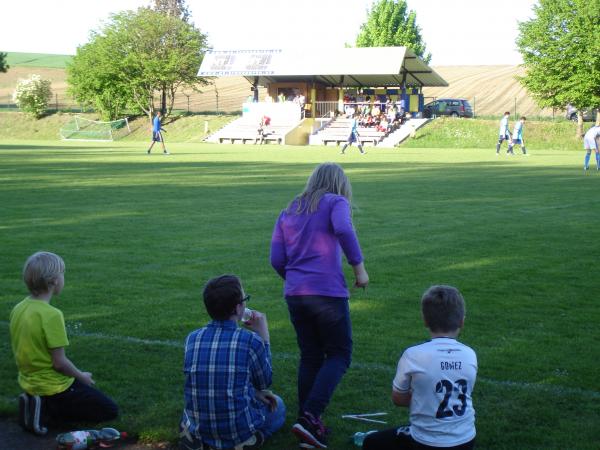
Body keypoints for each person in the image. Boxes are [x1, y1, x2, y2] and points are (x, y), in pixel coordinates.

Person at [270, 163, 369, 448]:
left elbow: (277, 259)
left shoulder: (289, 210)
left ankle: (306, 423)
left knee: (311, 356)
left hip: (296, 294)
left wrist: (295, 280)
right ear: (340, 184)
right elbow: (344, 229)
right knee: (339, 354)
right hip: (326, 292)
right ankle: (310, 417)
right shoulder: (335, 202)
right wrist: (359, 269)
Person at [9, 252, 118, 435]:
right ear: (54, 281)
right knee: (109, 409)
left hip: (29, 381)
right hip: (53, 386)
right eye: (62, 273)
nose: (63, 278)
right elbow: (59, 363)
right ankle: (47, 409)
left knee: (84, 393)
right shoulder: (51, 315)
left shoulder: (19, 308)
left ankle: (35, 400)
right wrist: (81, 376)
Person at [363, 285, 477, 450]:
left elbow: (398, 399)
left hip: (425, 441)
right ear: (462, 321)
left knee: (370, 442)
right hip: (465, 439)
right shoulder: (470, 354)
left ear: (425, 320)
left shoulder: (413, 355)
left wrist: (425, 398)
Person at [179, 275, 285, 450]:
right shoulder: (251, 340)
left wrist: (255, 393)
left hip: (198, 427)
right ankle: (250, 440)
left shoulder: (192, 338)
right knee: (278, 406)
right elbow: (265, 382)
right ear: (238, 308)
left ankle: (199, 441)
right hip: (236, 429)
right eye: (245, 299)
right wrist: (264, 337)